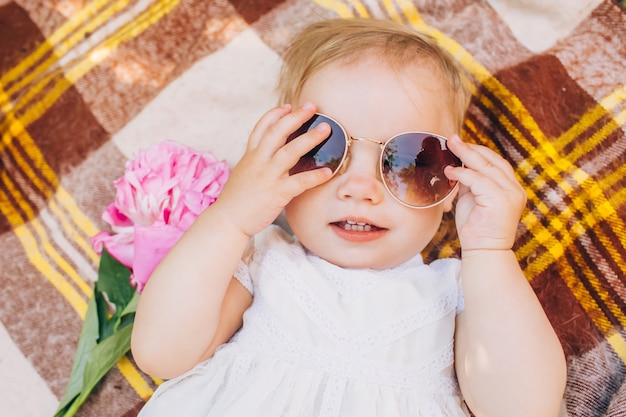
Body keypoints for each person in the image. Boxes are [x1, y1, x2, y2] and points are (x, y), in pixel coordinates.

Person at [131, 18, 567, 417]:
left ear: (453, 187)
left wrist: (490, 250)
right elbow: (161, 354)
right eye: (323, 151)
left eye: (412, 163)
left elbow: (525, 408)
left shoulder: (458, 290)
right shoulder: (262, 261)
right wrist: (230, 217)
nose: (360, 189)